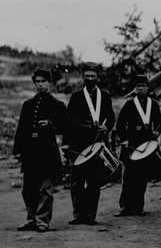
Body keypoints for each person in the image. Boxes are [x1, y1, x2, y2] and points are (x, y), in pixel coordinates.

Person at [13, 68, 68, 232]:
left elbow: (66, 127)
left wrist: (51, 124)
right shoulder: (28, 105)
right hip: (30, 154)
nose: (40, 85)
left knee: (45, 189)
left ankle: (42, 220)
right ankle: (31, 219)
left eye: (43, 81)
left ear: (50, 83)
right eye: (37, 82)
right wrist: (18, 150)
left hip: (48, 154)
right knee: (28, 189)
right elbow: (21, 129)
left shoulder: (57, 105)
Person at [64, 63, 115, 226]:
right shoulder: (76, 97)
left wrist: (107, 126)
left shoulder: (105, 97)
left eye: (93, 76)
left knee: (94, 181)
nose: (90, 79)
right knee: (77, 182)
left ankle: (91, 216)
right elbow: (69, 120)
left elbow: (111, 117)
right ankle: (79, 215)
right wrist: (86, 127)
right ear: (83, 77)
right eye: (87, 76)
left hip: (97, 143)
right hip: (79, 144)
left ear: (97, 78)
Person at [115, 74, 161, 217]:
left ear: (148, 88)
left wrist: (157, 132)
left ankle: (138, 207)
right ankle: (125, 206)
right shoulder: (130, 104)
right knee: (129, 176)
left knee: (142, 177)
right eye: (138, 86)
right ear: (135, 89)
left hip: (146, 143)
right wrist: (124, 139)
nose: (141, 89)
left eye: (143, 86)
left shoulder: (153, 104)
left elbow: (160, 122)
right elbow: (120, 124)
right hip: (132, 142)